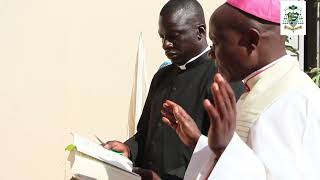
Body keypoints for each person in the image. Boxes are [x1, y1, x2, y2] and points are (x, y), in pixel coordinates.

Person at [162, 0, 320, 179]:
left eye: (217, 42)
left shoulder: (294, 102)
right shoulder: (259, 87)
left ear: (251, 41)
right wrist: (198, 142)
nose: (211, 53)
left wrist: (225, 149)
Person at [104, 0, 244, 179]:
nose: (165, 44)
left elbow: (227, 158)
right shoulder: (162, 76)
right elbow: (145, 133)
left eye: (173, 37)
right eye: (162, 37)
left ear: (200, 32)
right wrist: (129, 149)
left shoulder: (222, 78)